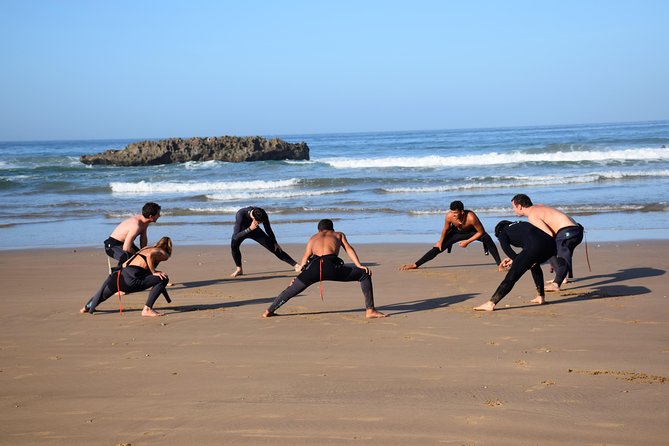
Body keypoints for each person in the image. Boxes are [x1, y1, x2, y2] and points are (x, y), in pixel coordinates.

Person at [263, 219, 386, 319]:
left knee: (291, 290)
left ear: (319, 230)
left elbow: (305, 259)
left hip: (314, 269)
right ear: (332, 229)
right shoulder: (338, 234)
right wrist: (358, 265)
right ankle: (370, 310)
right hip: (332, 267)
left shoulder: (313, 238)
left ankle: (269, 310)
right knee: (364, 274)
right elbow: (348, 249)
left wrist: (298, 277)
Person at [474, 221, 557, 311]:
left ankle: (491, 303)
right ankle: (541, 296)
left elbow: (507, 249)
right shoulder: (522, 224)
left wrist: (516, 260)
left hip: (535, 246)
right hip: (552, 245)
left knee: (512, 276)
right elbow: (533, 242)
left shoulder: (503, 232)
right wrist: (518, 259)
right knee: (534, 263)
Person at [80, 236, 172, 317]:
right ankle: (147, 309)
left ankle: (87, 307)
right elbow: (149, 255)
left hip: (119, 277)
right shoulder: (163, 253)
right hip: (130, 281)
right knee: (163, 278)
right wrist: (153, 272)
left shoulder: (146, 248)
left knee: (102, 295)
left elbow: (124, 264)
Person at [511, 194, 584, 292]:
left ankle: (556, 284)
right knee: (551, 251)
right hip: (575, 230)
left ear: (519, 206)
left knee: (561, 256)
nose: (513, 210)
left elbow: (548, 234)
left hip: (568, 231)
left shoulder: (532, 216)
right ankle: (562, 277)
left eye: (513, 207)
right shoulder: (539, 206)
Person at [400, 200, 501, 270]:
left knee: (487, 238)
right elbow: (446, 229)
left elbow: (481, 232)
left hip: (472, 232)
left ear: (462, 211)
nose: (453, 214)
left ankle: (499, 264)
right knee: (437, 248)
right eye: (452, 212)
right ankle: (415, 264)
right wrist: (440, 241)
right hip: (456, 233)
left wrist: (467, 242)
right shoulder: (449, 216)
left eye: (455, 213)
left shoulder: (471, 217)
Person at [230, 206, 300, 277]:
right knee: (234, 245)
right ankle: (239, 269)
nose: (260, 223)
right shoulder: (241, 214)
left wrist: (275, 242)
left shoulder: (262, 213)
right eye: (259, 222)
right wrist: (250, 228)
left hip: (255, 231)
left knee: (274, 247)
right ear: (254, 218)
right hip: (242, 231)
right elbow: (236, 236)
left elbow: (268, 229)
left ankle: (296, 265)